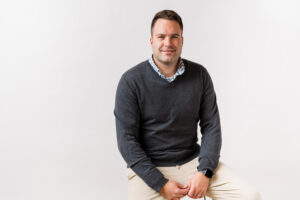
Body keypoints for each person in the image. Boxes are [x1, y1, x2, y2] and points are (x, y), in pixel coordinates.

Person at [114, 10, 261, 200]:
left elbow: (211, 127)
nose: (168, 43)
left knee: (250, 196)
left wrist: (205, 172)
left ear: (182, 40)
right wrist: (160, 184)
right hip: (150, 167)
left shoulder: (200, 75)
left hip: (193, 162)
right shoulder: (130, 81)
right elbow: (126, 142)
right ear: (151, 41)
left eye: (174, 37)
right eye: (161, 37)